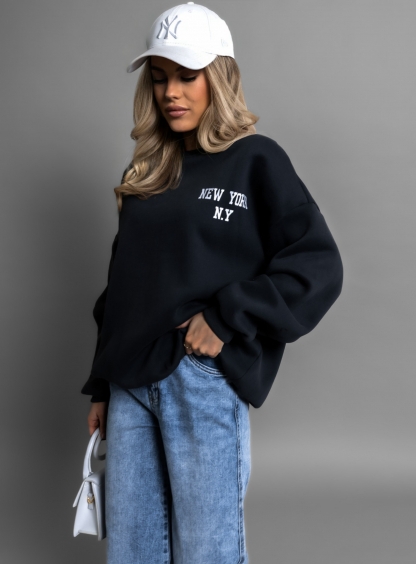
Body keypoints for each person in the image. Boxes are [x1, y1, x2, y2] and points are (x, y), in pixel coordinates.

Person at [81, 3, 343, 563]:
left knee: (207, 552)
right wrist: (102, 385)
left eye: (187, 75)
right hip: (129, 385)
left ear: (218, 77)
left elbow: (318, 264)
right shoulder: (147, 172)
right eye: (159, 78)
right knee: (131, 553)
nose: (170, 92)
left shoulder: (256, 161)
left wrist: (225, 318)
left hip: (199, 379)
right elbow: (123, 285)